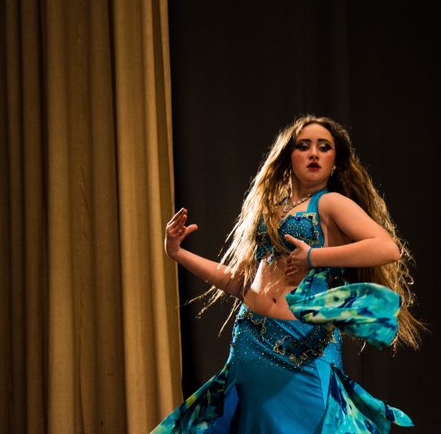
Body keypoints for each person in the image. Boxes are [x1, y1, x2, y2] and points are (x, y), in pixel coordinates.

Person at [152, 114, 425, 433]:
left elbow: (387, 248)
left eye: (324, 147)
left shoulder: (331, 203)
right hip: (251, 343)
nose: (314, 153)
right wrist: (177, 253)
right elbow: (242, 283)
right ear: (287, 157)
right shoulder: (271, 210)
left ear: (334, 162)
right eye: (303, 146)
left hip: (303, 349)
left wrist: (313, 256)